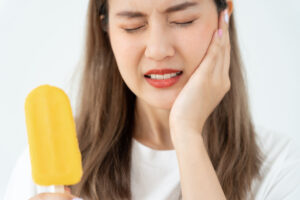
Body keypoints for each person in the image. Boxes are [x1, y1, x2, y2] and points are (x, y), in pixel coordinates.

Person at [4, 0, 300, 199]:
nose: (158, 50)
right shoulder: (39, 171)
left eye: (183, 20)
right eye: (133, 26)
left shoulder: (281, 166)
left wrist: (186, 132)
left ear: (225, 14)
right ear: (105, 29)